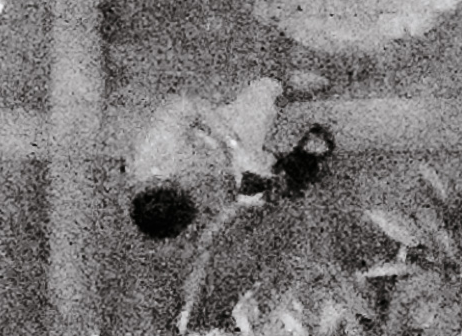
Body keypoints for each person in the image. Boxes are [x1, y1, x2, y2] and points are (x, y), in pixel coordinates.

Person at [119, 75, 334, 246]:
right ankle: (298, 154)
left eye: (185, 188)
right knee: (266, 180)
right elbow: (215, 195)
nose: (191, 188)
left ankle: (279, 84)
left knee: (262, 97)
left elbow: (188, 103)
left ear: (166, 184)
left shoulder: (153, 150)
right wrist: (241, 191)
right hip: (220, 159)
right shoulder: (175, 198)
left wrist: (234, 145)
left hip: (218, 129)